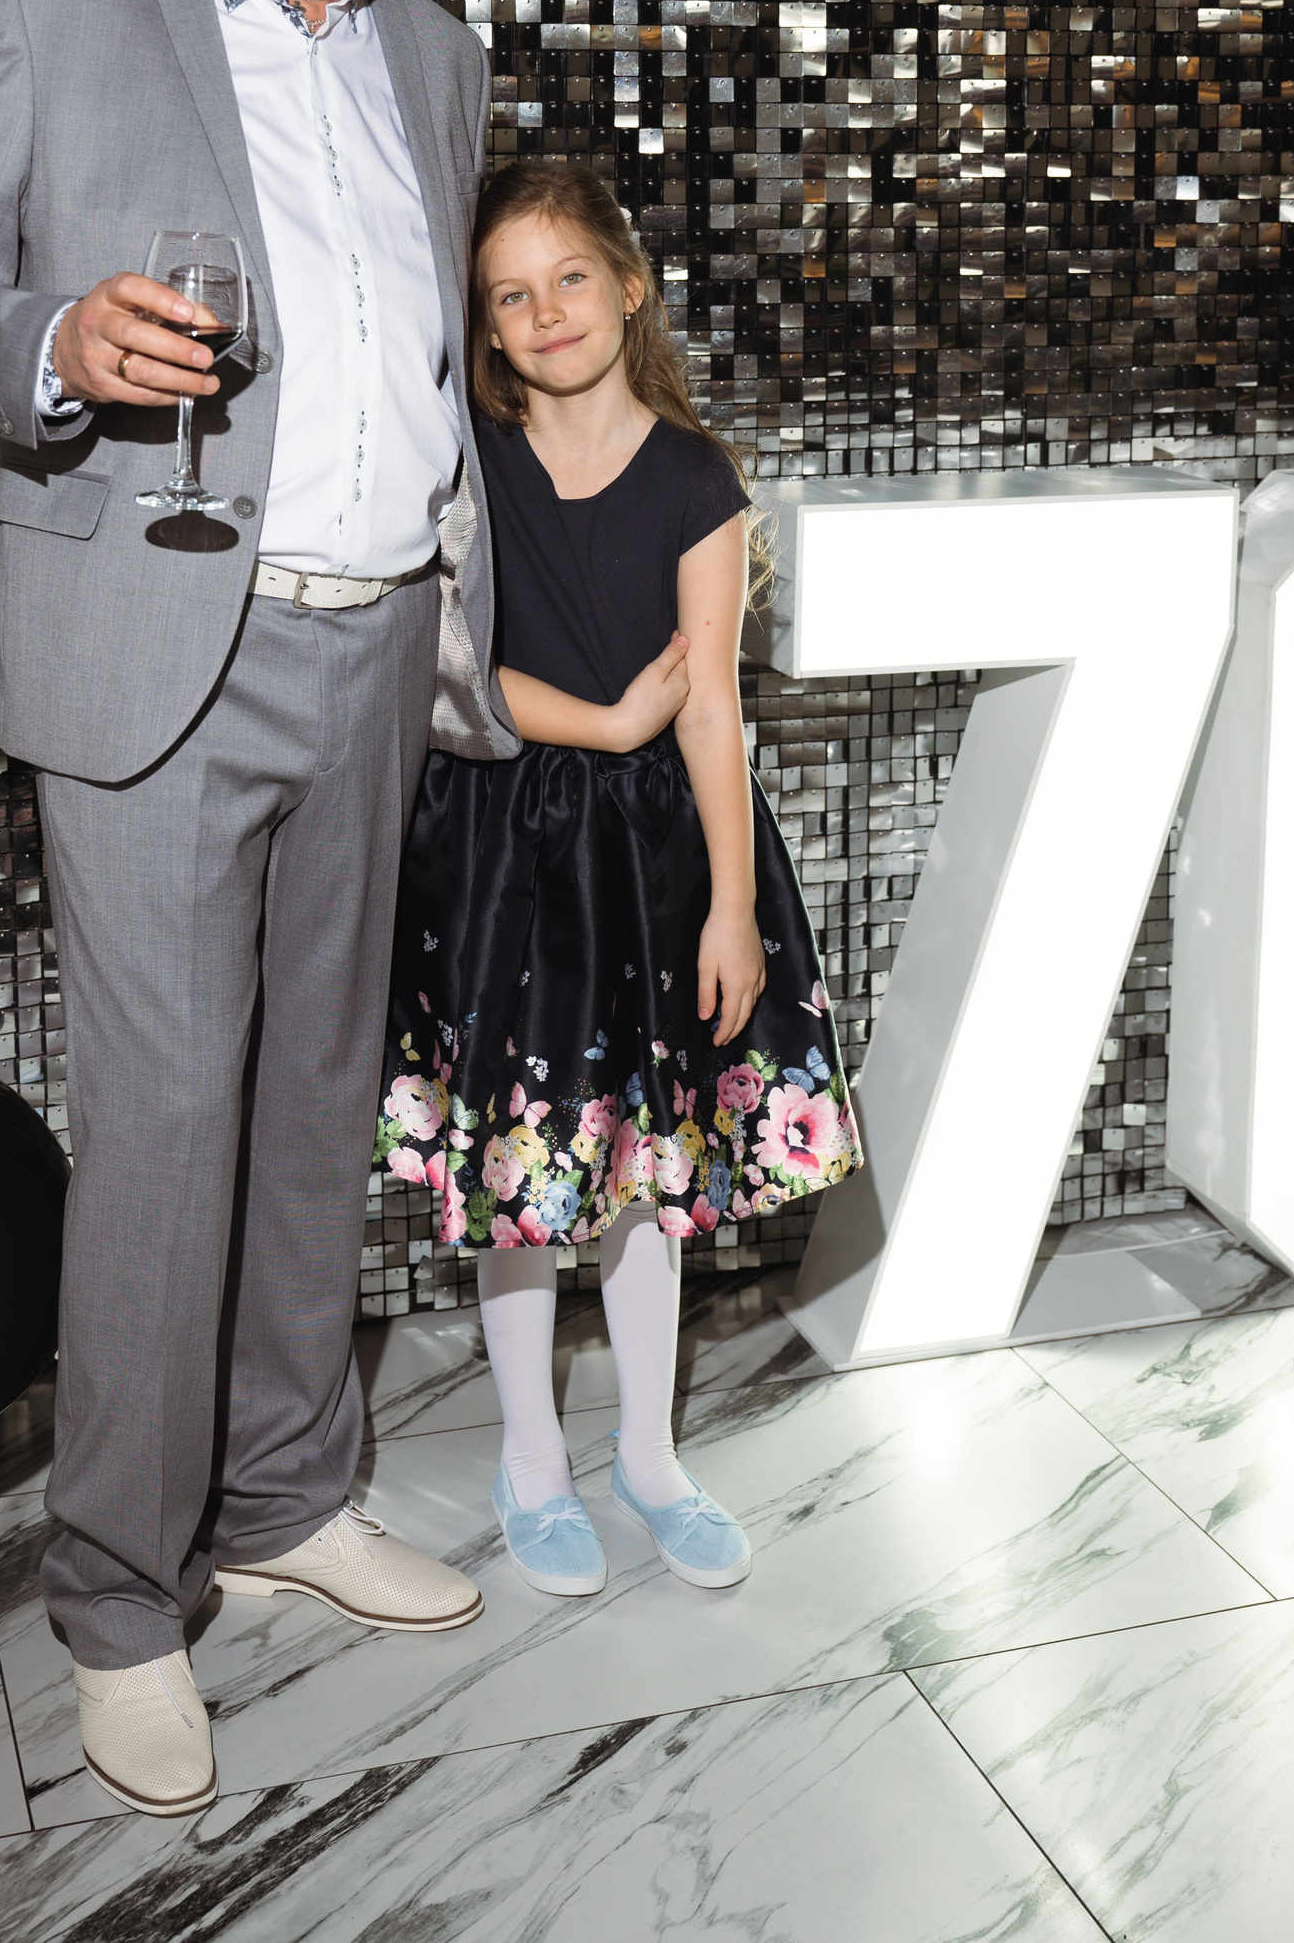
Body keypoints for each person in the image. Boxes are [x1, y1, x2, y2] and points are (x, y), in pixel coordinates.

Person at [0, 0, 519, 1820]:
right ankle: (123, 1597)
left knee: (320, 1095)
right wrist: (54, 342)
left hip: (375, 641)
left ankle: (291, 1491)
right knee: (164, 1121)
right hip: (154, 645)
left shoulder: (433, 53)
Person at [374, 160, 860, 1597]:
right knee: (526, 1167)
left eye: (569, 278)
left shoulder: (697, 480)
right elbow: (448, 666)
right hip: (505, 854)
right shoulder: (468, 459)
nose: (545, 312)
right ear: (486, 325)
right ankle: (532, 1463)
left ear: (629, 287)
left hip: (654, 864)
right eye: (510, 296)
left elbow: (710, 705)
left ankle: (650, 1456)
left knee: (647, 1174)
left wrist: (732, 908)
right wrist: (601, 723)